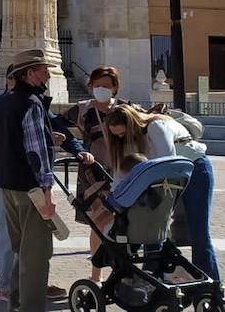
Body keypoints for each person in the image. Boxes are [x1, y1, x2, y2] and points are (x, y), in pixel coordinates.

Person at [104, 104, 220, 281]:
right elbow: (120, 173)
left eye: (122, 134)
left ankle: (210, 284)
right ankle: (153, 279)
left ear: (133, 125)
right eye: (117, 136)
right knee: (153, 226)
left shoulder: (156, 126)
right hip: (164, 176)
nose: (120, 139)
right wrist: (115, 197)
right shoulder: (127, 140)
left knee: (199, 232)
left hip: (194, 170)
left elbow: (169, 161)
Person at [0, 50, 62, 312]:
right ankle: (30, 307)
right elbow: (36, 151)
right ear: (29, 74)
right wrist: (47, 190)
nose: (47, 74)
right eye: (43, 70)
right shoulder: (30, 103)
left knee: (20, 249)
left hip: (3, 184)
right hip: (28, 188)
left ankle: (15, 302)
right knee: (37, 254)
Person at [61, 65, 138, 284]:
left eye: (106, 85)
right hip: (93, 176)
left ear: (115, 88)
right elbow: (56, 123)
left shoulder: (126, 109)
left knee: (122, 225)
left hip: (123, 174)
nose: (101, 89)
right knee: (98, 224)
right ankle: (96, 276)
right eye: (97, 85)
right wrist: (76, 148)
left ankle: (122, 273)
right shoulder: (83, 109)